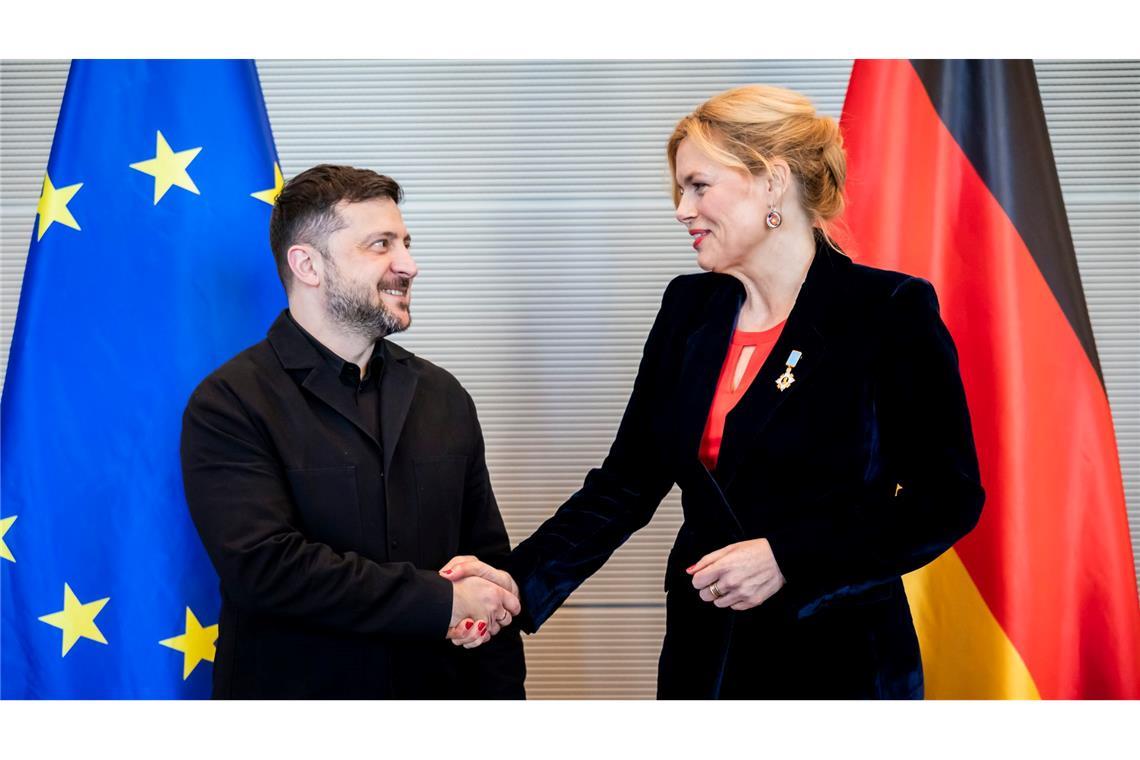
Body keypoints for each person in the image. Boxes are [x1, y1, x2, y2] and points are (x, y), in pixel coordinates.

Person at [444, 85, 985, 698]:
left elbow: (945, 497)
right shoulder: (687, 308)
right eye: (681, 189)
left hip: (836, 656)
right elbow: (626, 483)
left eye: (699, 185)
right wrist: (519, 581)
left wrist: (790, 556)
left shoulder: (887, 309)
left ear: (773, 181)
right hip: (704, 654)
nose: (681, 208)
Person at [180, 164, 524, 699]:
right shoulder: (229, 404)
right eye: (380, 245)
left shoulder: (444, 396)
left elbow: (488, 566)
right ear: (308, 265)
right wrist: (442, 601)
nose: (408, 265)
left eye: (405, 243)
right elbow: (268, 569)